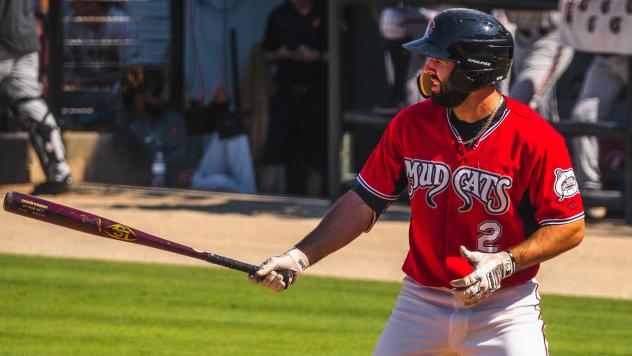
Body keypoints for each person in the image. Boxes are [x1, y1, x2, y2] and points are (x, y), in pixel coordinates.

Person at [250, 8, 585, 355]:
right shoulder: (410, 125)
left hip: (504, 309)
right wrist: (299, 256)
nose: (427, 69)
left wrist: (506, 261)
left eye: (439, 60)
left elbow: (569, 227)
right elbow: (362, 202)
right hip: (420, 303)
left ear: (475, 69)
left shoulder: (535, 138)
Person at [0, 0, 72, 195]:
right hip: (24, 38)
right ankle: (59, 170)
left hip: (16, 39)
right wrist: (39, 20)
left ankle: (58, 172)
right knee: (30, 102)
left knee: (29, 102)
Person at [259, 0, 328, 197]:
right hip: (285, 92)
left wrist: (316, 55)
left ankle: (315, 208)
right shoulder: (278, 14)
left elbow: (338, 54)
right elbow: (265, 54)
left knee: (317, 156)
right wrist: (280, 54)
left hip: (316, 94)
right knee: (271, 152)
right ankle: (265, 205)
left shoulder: (324, 13)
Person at [495, 9, 574, 123]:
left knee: (517, 102)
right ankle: (548, 139)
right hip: (519, 35)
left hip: (550, 36)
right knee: (540, 107)